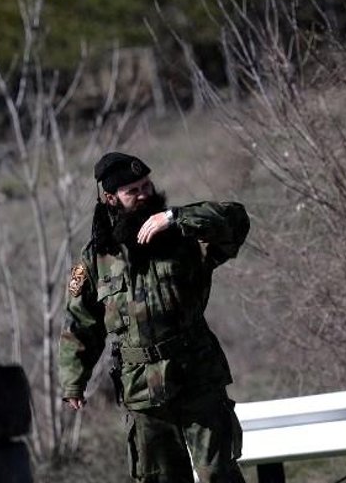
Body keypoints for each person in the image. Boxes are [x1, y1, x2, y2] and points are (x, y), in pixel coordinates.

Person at [58, 152, 250, 483]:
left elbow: (235, 220)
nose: (144, 194)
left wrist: (176, 217)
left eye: (146, 185)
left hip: (197, 377)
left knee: (219, 475)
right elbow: (80, 323)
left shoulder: (184, 235)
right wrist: (74, 380)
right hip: (142, 391)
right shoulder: (95, 260)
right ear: (111, 198)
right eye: (132, 190)